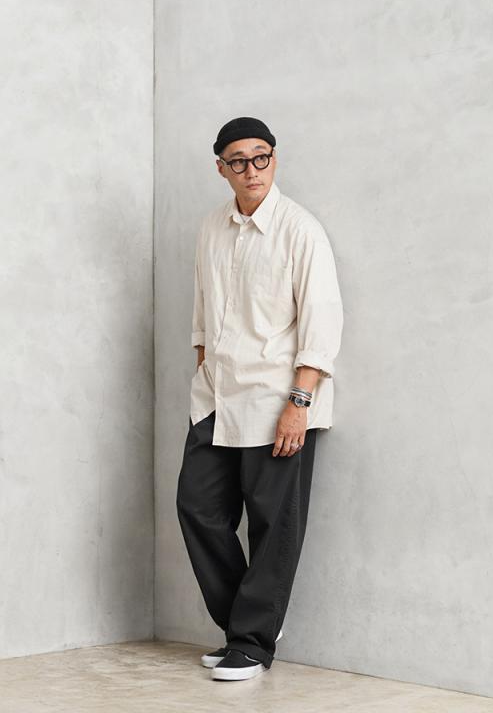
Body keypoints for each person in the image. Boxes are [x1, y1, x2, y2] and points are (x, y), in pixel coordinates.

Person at [176, 116, 344, 682]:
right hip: (216, 398)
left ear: (275, 158)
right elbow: (203, 310)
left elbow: (321, 323)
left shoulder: (300, 230)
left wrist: (299, 403)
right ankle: (250, 624)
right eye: (238, 161)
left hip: (277, 399)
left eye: (261, 157)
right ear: (221, 168)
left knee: (274, 523)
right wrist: (203, 366)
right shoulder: (211, 227)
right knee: (197, 508)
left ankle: (251, 642)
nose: (252, 170)